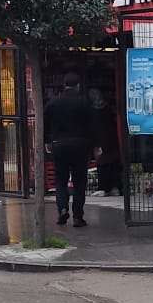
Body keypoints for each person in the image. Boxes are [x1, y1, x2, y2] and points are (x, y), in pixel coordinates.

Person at [44, 70, 94, 228]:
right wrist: (95, 145)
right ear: (78, 86)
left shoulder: (53, 102)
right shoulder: (84, 102)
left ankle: (63, 209)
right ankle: (78, 216)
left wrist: (47, 140)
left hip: (59, 144)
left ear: (64, 85)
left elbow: (45, 121)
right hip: (80, 144)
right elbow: (92, 125)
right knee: (79, 181)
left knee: (60, 179)